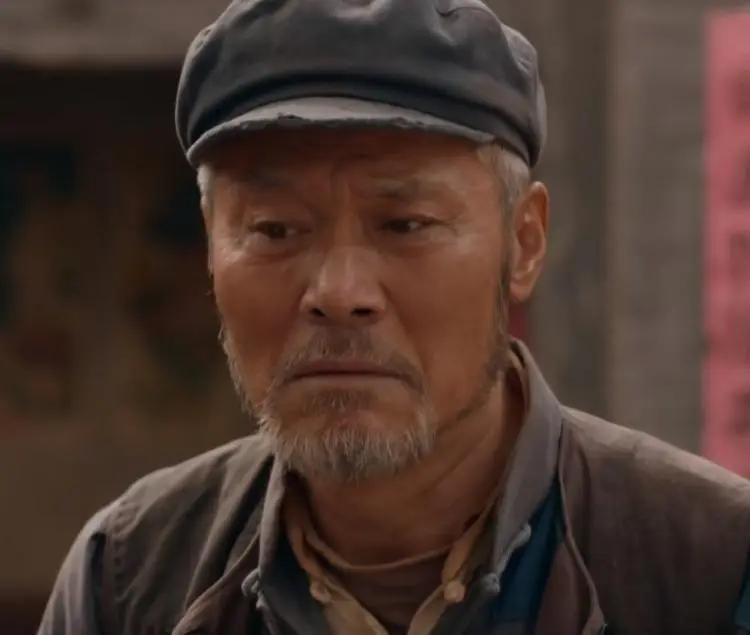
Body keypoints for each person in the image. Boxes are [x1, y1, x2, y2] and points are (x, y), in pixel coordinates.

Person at [39, 1, 750, 634]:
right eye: (275, 229)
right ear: (210, 249)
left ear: (524, 242)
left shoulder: (711, 567)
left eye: (406, 224)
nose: (338, 292)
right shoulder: (130, 579)